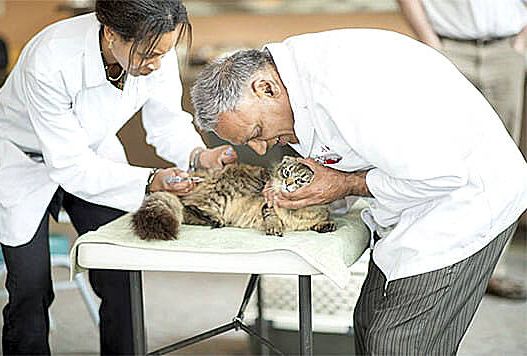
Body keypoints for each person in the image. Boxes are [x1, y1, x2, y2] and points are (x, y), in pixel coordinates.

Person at [190, 30, 527, 354]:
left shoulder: (341, 89)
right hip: (413, 201)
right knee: (367, 325)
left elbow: (441, 175)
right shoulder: (291, 79)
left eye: (257, 132)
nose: (260, 149)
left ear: (265, 88)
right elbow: (353, 153)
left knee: (395, 344)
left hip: (467, 203)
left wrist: (346, 184)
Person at [0, 0, 237, 354]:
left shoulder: (157, 50)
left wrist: (199, 155)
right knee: (30, 287)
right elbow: (69, 165)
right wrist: (151, 179)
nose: (156, 64)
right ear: (111, 33)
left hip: (95, 155)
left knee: (121, 272)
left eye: (163, 53)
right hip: (24, 159)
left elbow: (167, 121)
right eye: (148, 54)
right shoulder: (50, 59)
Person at [397, 0, 527, 301]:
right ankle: (442, 267)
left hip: (505, 50)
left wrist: (520, 44)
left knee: (503, 167)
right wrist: (431, 43)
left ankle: (493, 269)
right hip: (449, 49)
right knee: (442, 161)